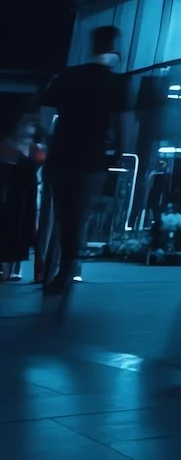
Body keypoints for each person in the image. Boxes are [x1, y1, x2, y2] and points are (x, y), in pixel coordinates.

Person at [38, 25, 128, 298]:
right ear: (112, 45)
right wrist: (118, 150)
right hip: (92, 159)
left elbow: (44, 114)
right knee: (79, 217)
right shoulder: (115, 83)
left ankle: (53, 270)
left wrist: (53, 139)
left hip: (62, 155)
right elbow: (121, 123)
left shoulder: (67, 77)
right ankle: (67, 270)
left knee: (62, 216)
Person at [0, 114, 40, 281]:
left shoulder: (35, 148)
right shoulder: (8, 145)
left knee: (21, 227)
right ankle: (6, 268)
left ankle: (13, 268)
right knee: (9, 227)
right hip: (12, 192)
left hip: (26, 193)